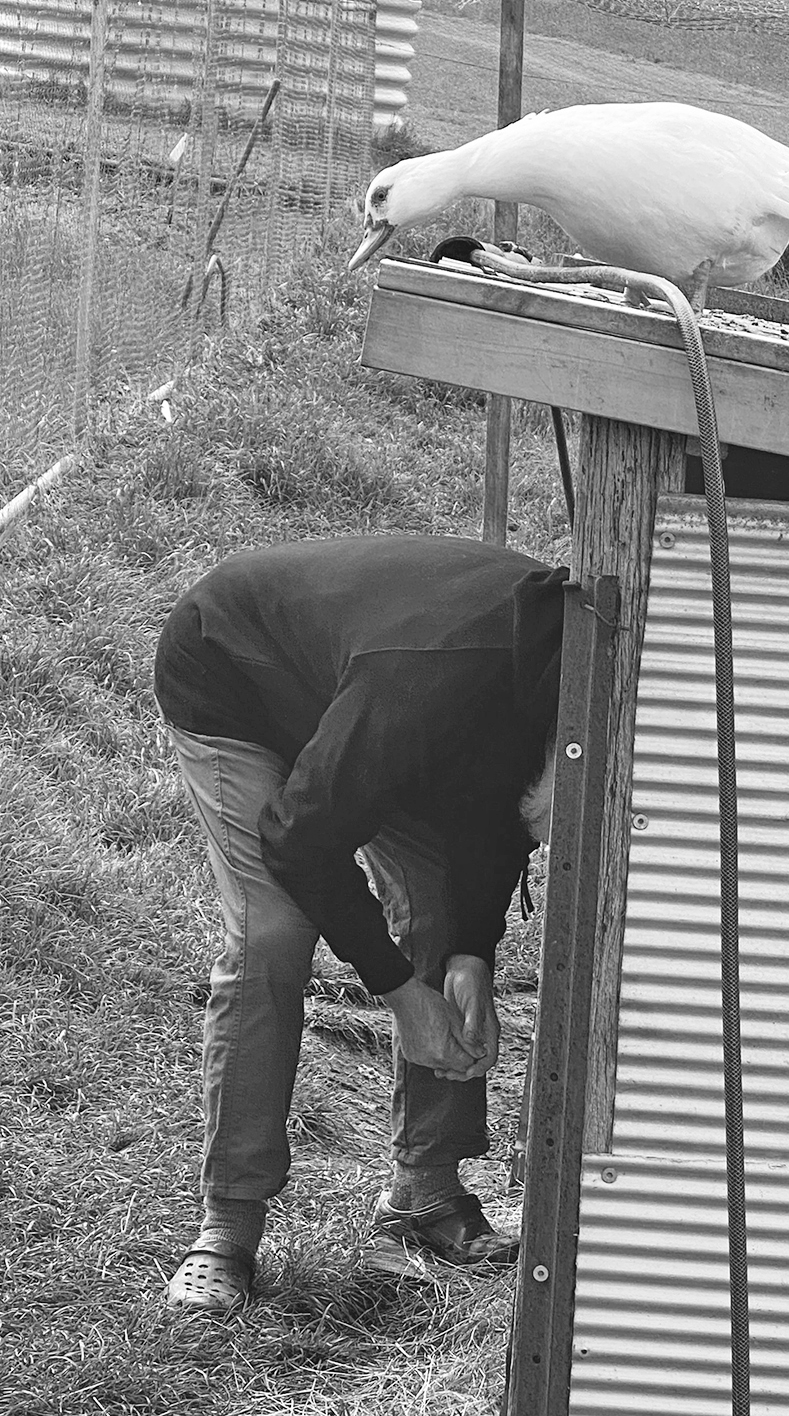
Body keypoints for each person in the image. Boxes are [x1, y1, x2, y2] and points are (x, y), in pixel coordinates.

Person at [153, 533, 567, 1312]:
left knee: (441, 918)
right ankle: (227, 1228)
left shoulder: (562, 688)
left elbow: (494, 819)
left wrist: (469, 951)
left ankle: (425, 1188)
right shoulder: (430, 687)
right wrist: (401, 993)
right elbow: (299, 838)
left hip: (357, 701)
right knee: (272, 935)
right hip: (232, 673)